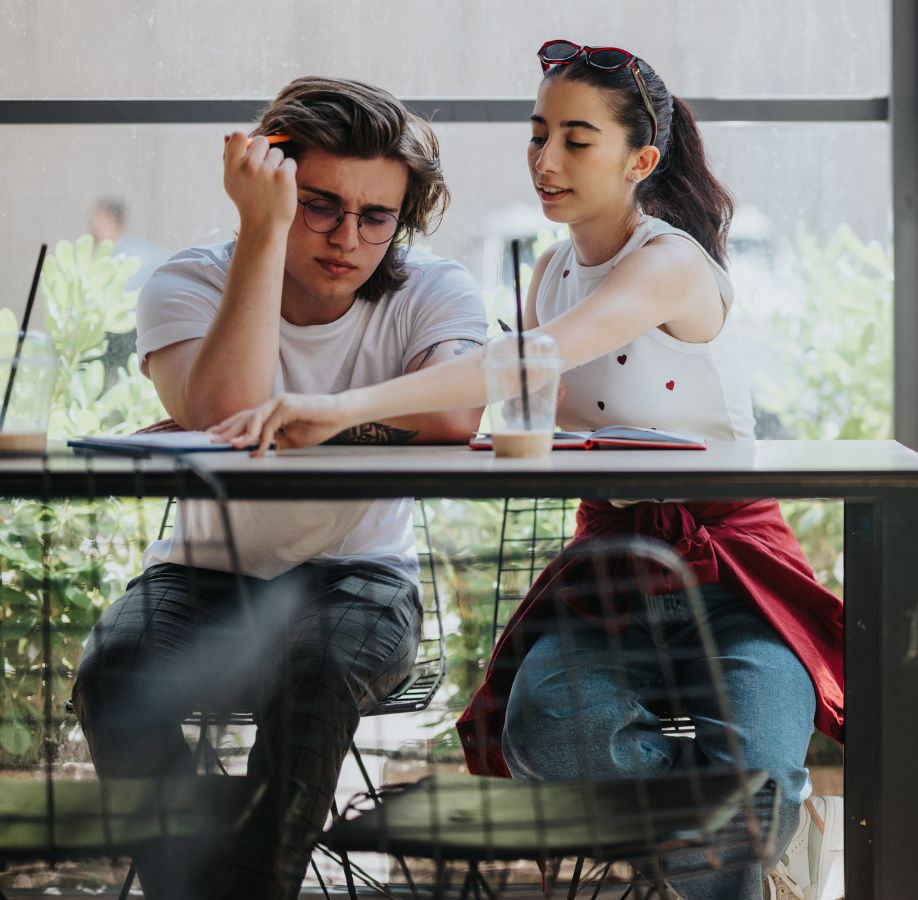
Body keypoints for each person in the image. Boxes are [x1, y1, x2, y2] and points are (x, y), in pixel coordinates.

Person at [210, 42, 844, 900]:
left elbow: (531, 360)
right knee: (549, 734)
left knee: (756, 779)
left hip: (730, 569)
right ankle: (737, 855)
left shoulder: (671, 262)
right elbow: (511, 405)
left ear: (641, 160)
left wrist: (335, 407)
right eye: (537, 133)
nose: (546, 160)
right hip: (609, 566)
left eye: (577, 140)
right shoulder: (548, 273)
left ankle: (739, 841)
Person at [71, 76, 488, 900]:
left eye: (377, 218)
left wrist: (320, 418)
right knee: (113, 674)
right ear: (273, 187)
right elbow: (224, 411)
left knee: (316, 673)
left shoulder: (431, 289)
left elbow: (457, 411)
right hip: (200, 574)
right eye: (319, 206)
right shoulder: (190, 281)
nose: (347, 238)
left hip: (361, 581)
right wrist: (261, 235)